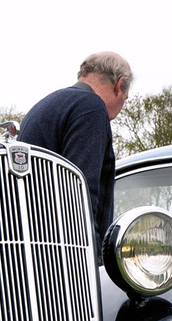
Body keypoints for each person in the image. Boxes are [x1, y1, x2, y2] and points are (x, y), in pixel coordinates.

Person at [19, 52, 132, 241]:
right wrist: (92, 255)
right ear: (119, 85)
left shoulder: (44, 106)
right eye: (125, 99)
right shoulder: (92, 108)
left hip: (32, 242)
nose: (120, 109)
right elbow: (80, 192)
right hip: (66, 254)